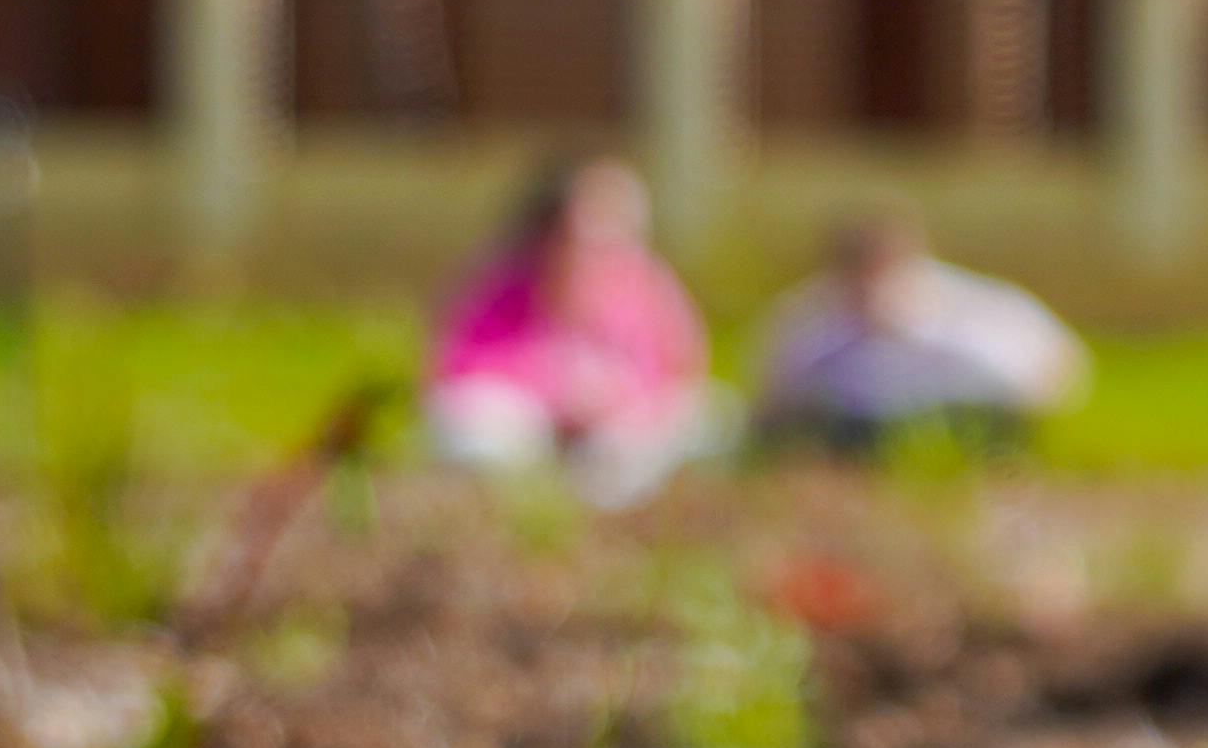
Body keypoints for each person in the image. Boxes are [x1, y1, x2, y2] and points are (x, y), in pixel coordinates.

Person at [424, 157, 719, 506]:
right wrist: (555, 394)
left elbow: (681, 363)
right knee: (480, 424)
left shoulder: (646, 285)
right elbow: (460, 366)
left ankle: (615, 497)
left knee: (701, 418)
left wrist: (616, 397)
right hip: (529, 430)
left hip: (617, 432)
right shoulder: (502, 284)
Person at [754, 207, 1086, 459]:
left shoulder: (966, 307)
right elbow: (774, 390)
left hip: (971, 414)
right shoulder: (812, 316)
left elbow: (1035, 376)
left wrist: (911, 329)